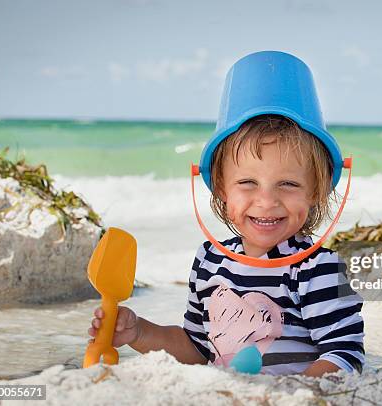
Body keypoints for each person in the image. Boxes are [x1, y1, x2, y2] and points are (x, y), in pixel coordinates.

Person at [88, 51, 365, 377]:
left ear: (316, 190)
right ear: (220, 186)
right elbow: (198, 349)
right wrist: (139, 333)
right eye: (247, 182)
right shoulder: (210, 261)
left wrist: (291, 394)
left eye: (288, 184)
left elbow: (346, 355)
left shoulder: (317, 268)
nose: (266, 200)